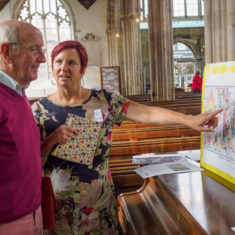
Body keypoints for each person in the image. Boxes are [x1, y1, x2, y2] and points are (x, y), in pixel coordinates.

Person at [32, 40, 222, 235]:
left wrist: (189, 120)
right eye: (58, 61)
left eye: (72, 62)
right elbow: (30, 165)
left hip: (99, 206)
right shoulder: (40, 111)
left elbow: (148, 114)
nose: (64, 68)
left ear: (82, 69)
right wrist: (51, 141)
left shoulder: (104, 101)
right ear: (52, 67)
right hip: (59, 208)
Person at [0, 20, 46, 234]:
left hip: (31, 214)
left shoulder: (19, 91)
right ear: (7, 52)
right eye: (35, 50)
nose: (43, 59)